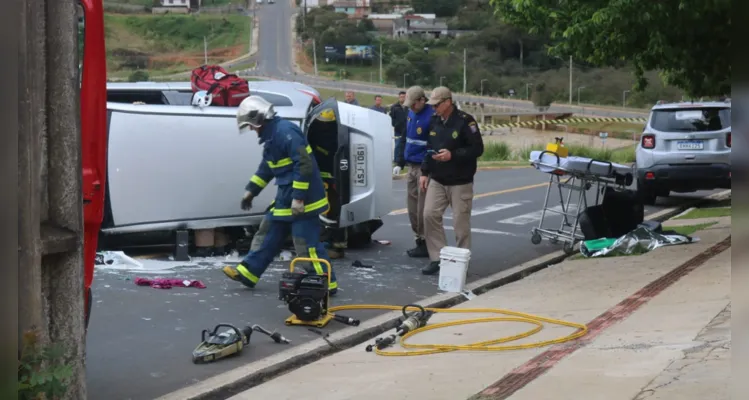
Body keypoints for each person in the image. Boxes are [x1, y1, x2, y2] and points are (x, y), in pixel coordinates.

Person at [222, 96, 338, 294]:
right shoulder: (271, 137)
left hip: (305, 199)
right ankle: (248, 272)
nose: (251, 129)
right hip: (287, 196)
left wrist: (299, 197)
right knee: (267, 233)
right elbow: (267, 167)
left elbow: (304, 165)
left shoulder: (286, 132)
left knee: (305, 244)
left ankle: (326, 281)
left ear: (259, 119)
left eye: (251, 125)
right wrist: (251, 191)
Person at [419, 86, 484, 275]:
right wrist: (424, 171)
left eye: (437, 105)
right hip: (438, 178)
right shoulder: (434, 121)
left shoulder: (465, 121)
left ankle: (461, 260)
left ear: (448, 102)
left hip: (460, 180)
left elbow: (477, 149)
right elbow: (429, 148)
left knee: (460, 224)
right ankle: (437, 258)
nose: (434, 108)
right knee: (429, 215)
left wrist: (453, 155)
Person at [394, 86, 434, 259]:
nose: (411, 108)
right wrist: (399, 161)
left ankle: (427, 242)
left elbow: (433, 145)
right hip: (411, 165)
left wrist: (426, 168)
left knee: (422, 208)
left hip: (424, 168)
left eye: (414, 105)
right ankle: (418, 239)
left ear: (422, 100)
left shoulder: (432, 116)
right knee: (411, 207)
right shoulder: (410, 113)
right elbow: (405, 137)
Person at [307, 108, 347, 259]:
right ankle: (335, 244)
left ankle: (330, 244)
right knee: (333, 210)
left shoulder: (316, 134)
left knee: (327, 212)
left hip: (325, 178)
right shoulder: (337, 133)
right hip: (331, 177)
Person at [390, 91, 408, 164]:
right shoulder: (394, 107)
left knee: (406, 145)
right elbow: (391, 118)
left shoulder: (408, 106)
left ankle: (405, 160)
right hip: (398, 130)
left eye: (404, 97)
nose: (402, 98)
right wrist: (395, 124)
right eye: (401, 97)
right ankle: (396, 160)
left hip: (407, 130)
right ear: (399, 97)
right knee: (398, 145)